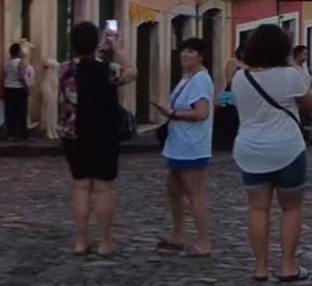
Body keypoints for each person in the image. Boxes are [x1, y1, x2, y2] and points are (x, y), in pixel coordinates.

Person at [230, 24, 311, 283]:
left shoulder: (240, 79)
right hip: (288, 148)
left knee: (257, 209)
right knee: (291, 208)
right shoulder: (291, 76)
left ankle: (260, 267)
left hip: (251, 150)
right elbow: (310, 103)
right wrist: (293, 66)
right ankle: (288, 266)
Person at [59, 21, 136, 256]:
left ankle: (81, 241)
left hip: (74, 134)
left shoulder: (64, 70)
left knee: (81, 187)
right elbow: (132, 72)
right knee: (103, 189)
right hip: (104, 133)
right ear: (96, 43)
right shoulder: (108, 70)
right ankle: (104, 242)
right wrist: (116, 47)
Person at [153, 38, 215, 257]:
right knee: (174, 190)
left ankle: (204, 241)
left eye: (190, 51)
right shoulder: (186, 78)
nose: (184, 55)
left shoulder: (200, 80)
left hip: (192, 145)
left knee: (194, 193)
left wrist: (172, 114)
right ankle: (177, 234)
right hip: (177, 144)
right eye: (183, 51)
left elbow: (201, 112)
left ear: (200, 55)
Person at [1, 42, 34, 140]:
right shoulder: (21, 62)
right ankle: (23, 134)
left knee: (10, 112)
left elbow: (3, 77)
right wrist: (26, 88)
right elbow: (21, 76)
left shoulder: (6, 63)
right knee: (21, 112)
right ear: (18, 51)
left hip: (8, 88)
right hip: (18, 89)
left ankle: (11, 134)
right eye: (21, 50)